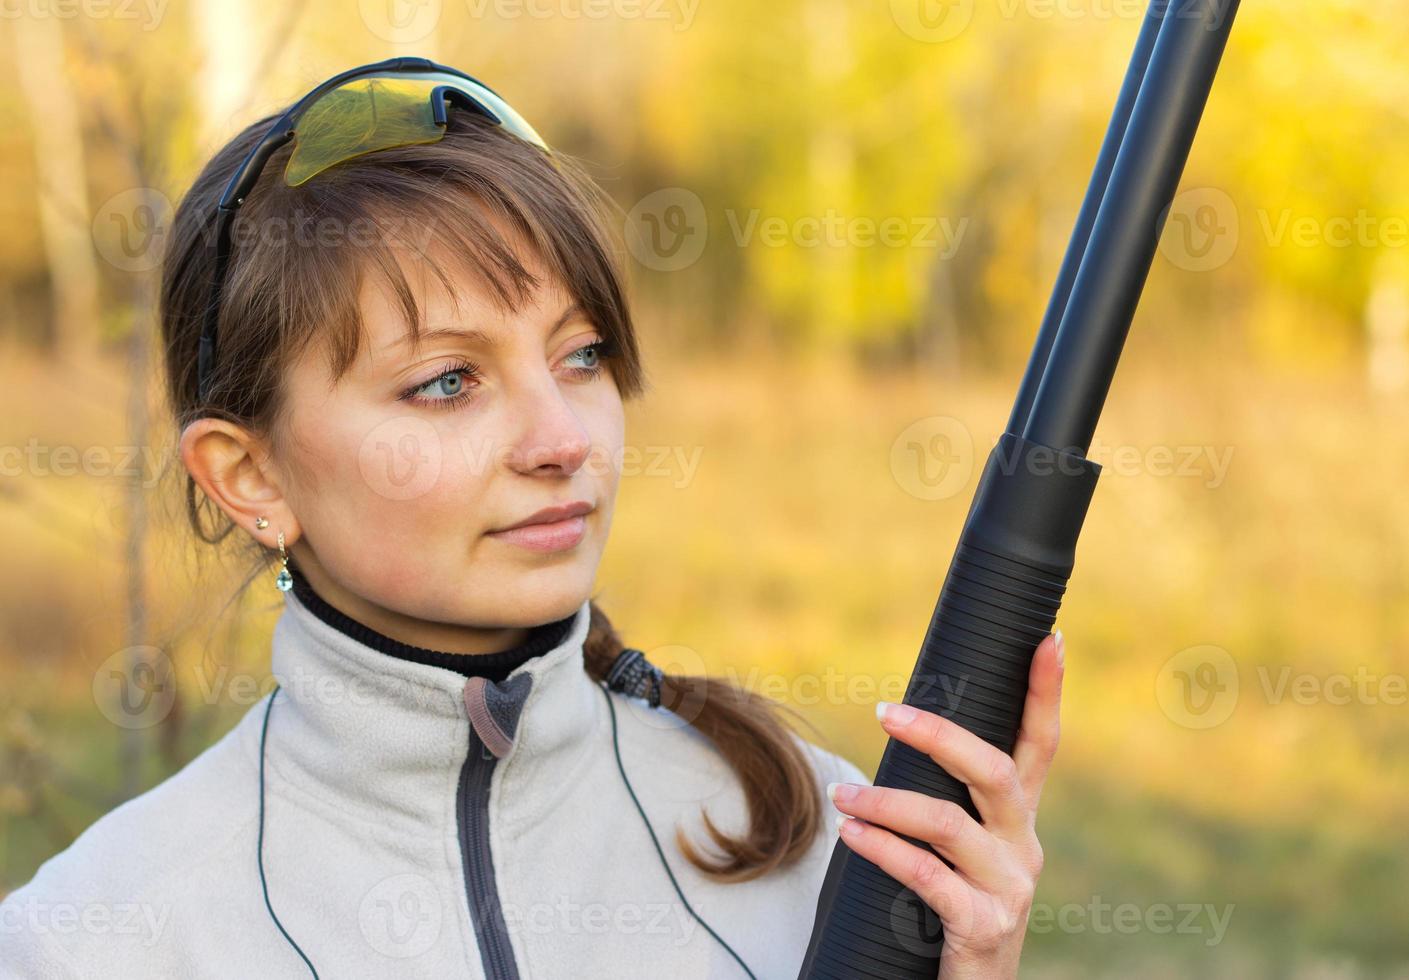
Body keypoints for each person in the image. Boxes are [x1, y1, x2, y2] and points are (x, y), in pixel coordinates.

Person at [0, 61, 1065, 979]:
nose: (562, 437)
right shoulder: (91, 937)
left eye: (582, 354)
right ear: (248, 474)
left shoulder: (820, 833)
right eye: (448, 380)